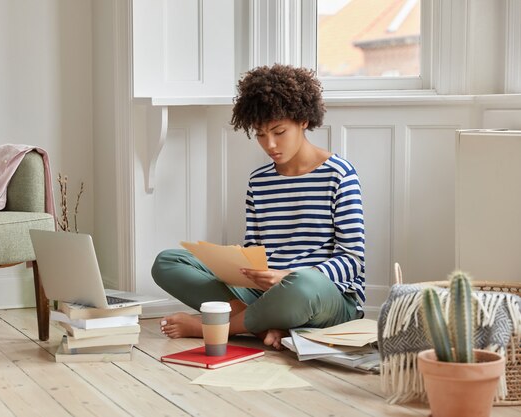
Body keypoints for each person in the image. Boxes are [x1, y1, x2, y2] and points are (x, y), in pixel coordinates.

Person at [151, 64, 365, 349]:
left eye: (279, 132)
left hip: (322, 295)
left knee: (301, 285)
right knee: (168, 261)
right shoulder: (259, 181)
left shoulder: (340, 174)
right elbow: (255, 249)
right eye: (261, 134)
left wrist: (287, 276)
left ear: (303, 121)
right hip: (263, 294)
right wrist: (245, 269)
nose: (270, 144)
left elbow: (353, 259)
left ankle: (218, 327)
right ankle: (263, 323)